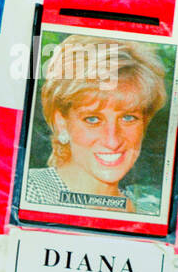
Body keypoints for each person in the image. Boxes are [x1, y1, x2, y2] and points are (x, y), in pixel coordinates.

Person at [25, 36, 166, 216]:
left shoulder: (151, 209)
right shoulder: (30, 192)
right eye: (92, 120)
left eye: (128, 118)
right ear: (61, 123)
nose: (112, 140)